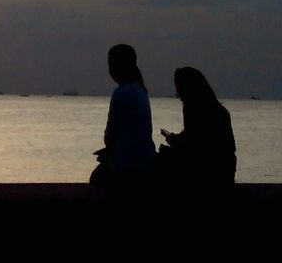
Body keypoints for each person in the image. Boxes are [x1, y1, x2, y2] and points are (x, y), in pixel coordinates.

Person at [156, 67, 236, 188]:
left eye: (179, 89)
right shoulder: (219, 110)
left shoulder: (193, 109)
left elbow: (196, 148)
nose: (178, 94)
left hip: (210, 171)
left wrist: (174, 142)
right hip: (226, 169)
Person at [90, 43, 156, 188]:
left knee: (97, 179)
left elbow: (111, 134)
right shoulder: (140, 91)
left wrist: (109, 153)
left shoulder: (121, 93)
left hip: (128, 165)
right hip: (146, 159)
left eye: (111, 65)